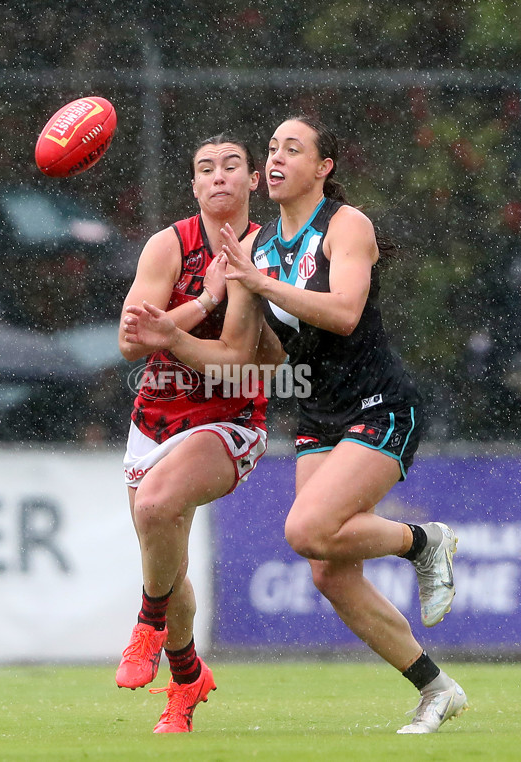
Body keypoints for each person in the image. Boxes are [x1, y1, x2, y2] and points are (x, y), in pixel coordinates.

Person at [123, 116, 468, 735]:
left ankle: (424, 541)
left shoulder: (345, 224)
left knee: (307, 528)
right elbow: (234, 360)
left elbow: (343, 312)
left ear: (323, 167)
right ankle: (435, 688)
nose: (278, 158)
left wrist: (257, 283)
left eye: (293, 149)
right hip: (319, 414)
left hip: (377, 404)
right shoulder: (255, 252)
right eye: (274, 148)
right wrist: (173, 335)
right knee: (327, 566)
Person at [116, 133, 282, 734]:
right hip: (155, 416)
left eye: (231, 167)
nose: (218, 176)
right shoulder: (170, 245)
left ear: (253, 181)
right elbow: (130, 340)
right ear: (193, 185)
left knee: (158, 507)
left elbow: (237, 359)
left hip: (230, 418)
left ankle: (145, 622)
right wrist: (204, 297)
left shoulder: (266, 250)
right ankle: (187, 680)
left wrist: (175, 325)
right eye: (205, 168)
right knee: (170, 559)